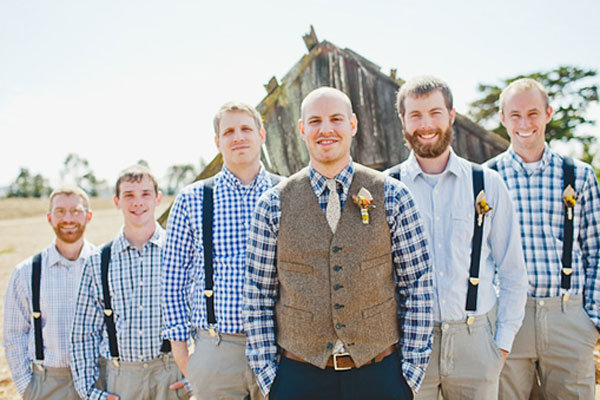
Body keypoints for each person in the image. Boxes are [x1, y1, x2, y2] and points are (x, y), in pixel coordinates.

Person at [244, 86, 434, 400]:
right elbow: (258, 295)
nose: (326, 129)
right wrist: (269, 380)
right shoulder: (272, 204)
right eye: (315, 121)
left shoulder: (395, 195)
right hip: (298, 377)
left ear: (353, 125)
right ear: (303, 129)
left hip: (380, 374)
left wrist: (410, 376)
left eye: (336, 119)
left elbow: (417, 284)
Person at [385, 76, 529, 399]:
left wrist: (500, 347)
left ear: (451, 115)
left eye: (435, 113)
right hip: (407, 345)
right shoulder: (385, 188)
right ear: (403, 121)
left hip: (476, 343)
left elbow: (513, 273)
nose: (426, 124)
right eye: (416, 115)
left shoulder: (487, 184)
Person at [487, 78, 600, 400]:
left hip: (568, 317)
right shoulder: (487, 178)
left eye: (533, 113)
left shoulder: (579, 175)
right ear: (503, 118)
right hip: (508, 319)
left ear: (548, 113)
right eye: (516, 115)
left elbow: (596, 250)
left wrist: (591, 320)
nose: (525, 123)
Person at [162, 102, 280, 399]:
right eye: (228, 131)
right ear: (217, 142)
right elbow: (173, 279)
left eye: (245, 129)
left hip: (279, 346)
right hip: (216, 349)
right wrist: (183, 354)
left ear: (261, 135)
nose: (238, 136)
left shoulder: (287, 192)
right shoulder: (192, 199)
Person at [70, 165, 185, 400]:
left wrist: (195, 378)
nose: (137, 202)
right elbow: (83, 332)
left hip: (170, 373)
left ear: (158, 199)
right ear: (117, 201)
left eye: (145, 194)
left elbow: (200, 320)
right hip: (120, 379)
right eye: (129, 195)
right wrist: (91, 393)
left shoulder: (180, 253)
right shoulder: (98, 261)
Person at [3, 186, 97, 399]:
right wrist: (29, 389)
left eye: (76, 211)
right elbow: (14, 336)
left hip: (98, 381)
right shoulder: (26, 272)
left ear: (88, 216)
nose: (68, 218)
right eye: (60, 211)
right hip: (48, 385)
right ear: (49, 217)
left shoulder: (105, 266)